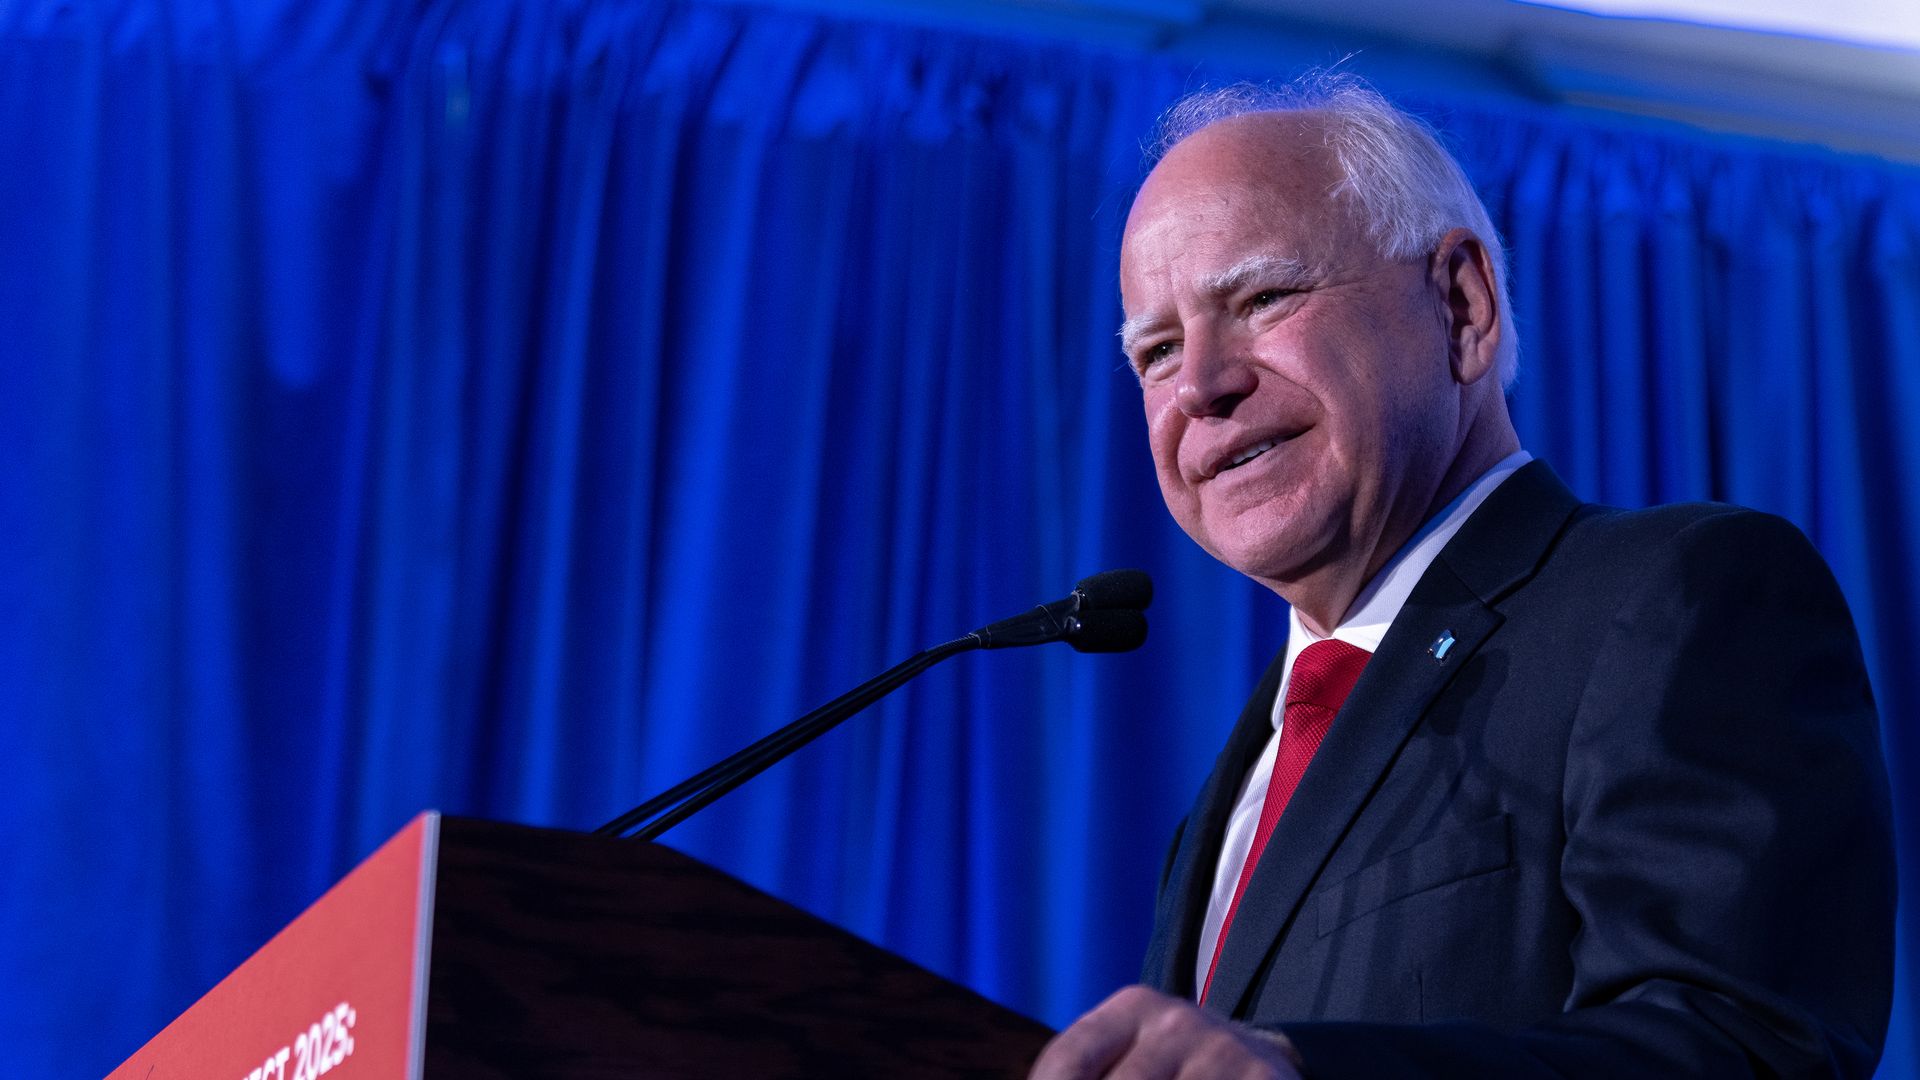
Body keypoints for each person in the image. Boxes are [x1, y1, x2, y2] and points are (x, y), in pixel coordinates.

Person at [1030, 75, 1895, 1080]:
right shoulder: (1242, 781)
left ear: (1462, 303)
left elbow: (1746, 1047)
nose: (1201, 388)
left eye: (1263, 298)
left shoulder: (1678, 597)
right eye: (1159, 350)